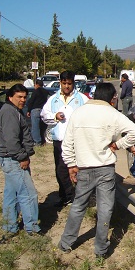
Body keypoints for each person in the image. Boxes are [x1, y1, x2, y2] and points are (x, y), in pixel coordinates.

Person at [57, 82, 135, 258]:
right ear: (112, 98)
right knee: (105, 208)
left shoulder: (78, 113)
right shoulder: (113, 114)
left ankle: (66, 243)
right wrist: (118, 145)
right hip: (105, 169)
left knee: (78, 206)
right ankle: (101, 249)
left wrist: (71, 165)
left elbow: (67, 143)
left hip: (83, 168)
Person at [0, 83, 41, 237]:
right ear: (10, 97)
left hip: (9, 159)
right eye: (19, 97)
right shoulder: (9, 113)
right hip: (13, 159)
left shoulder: (13, 111)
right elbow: (12, 140)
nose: (23, 100)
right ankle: (32, 228)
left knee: (12, 194)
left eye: (25, 97)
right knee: (28, 193)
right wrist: (22, 157)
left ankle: (10, 226)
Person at [41, 71, 88, 207]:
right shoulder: (53, 99)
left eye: (69, 83)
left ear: (73, 83)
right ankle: (66, 196)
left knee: (78, 169)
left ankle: (80, 196)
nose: (67, 86)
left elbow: (89, 116)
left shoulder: (82, 99)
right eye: (64, 83)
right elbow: (44, 115)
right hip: (59, 141)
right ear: (60, 82)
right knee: (61, 170)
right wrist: (55, 116)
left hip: (77, 141)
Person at [26, 79, 49, 145]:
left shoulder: (35, 92)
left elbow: (31, 101)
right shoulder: (46, 92)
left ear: (37, 84)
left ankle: (37, 142)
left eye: (35, 85)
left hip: (35, 110)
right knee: (42, 127)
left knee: (35, 127)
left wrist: (28, 110)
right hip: (43, 110)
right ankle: (43, 140)